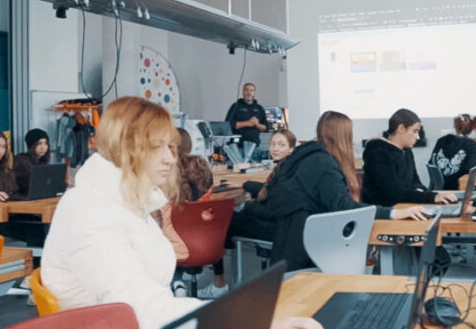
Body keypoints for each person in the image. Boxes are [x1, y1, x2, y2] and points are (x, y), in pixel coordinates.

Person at [41, 97, 321, 329]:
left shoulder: (125, 202)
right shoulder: (92, 213)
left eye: (171, 147)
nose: (170, 158)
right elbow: (142, 308)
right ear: (125, 147)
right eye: (156, 147)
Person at [265, 111, 429, 271]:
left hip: (290, 238)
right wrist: (393, 213)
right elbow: (344, 206)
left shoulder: (309, 155)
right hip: (304, 247)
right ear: (343, 135)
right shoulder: (324, 165)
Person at [200, 129, 298, 298]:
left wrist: (249, 207)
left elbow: (271, 208)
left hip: (271, 229)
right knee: (229, 217)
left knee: (220, 219)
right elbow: (270, 193)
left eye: (282, 145)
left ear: (291, 149)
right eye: (273, 144)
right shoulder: (286, 169)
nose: (275, 148)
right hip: (278, 226)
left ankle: (219, 283)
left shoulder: (283, 174)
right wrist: (247, 185)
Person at [362, 109, 457, 207]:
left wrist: (434, 197)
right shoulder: (377, 152)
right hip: (383, 213)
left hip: (402, 206)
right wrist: (432, 197)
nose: (418, 137)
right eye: (415, 131)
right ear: (401, 128)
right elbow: (392, 193)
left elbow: (415, 183)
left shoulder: (407, 150)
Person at [429, 114, 476, 190]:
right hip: (457, 189)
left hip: (436, 190)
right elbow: (470, 170)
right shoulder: (474, 146)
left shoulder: (441, 140)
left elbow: (431, 162)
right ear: (472, 127)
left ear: (455, 125)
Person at [225, 83, 268, 162]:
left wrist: (257, 124)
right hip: (238, 147)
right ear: (243, 92)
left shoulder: (259, 108)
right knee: (237, 171)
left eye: (251, 90)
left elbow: (266, 128)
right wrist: (248, 123)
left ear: (254, 93)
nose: (249, 92)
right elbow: (228, 125)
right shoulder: (236, 106)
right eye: (246, 90)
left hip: (254, 147)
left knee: (254, 171)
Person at [13, 128, 52, 198]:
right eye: (39, 143)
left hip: (38, 198)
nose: (43, 147)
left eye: (45, 143)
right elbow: (34, 185)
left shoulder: (41, 161)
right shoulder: (22, 161)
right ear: (31, 145)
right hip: (24, 200)